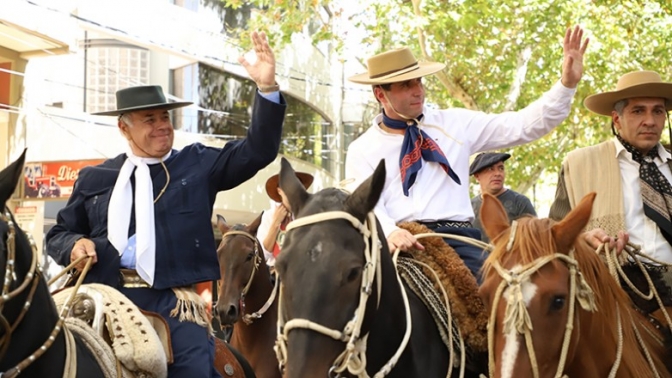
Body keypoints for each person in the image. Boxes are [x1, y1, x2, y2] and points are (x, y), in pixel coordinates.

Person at [46, 31, 286, 377]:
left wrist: (267, 88)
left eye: (165, 117)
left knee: (195, 370)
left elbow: (257, 150)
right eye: (150, 120)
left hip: (174, 304)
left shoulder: (198, 163)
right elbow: (60, 233)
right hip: (102, 295)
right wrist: (73, 245)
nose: (162, 127)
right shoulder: (94, 178)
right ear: (124, 127)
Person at [345, 26, 588, 279]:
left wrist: (567, 85)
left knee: (500, 303)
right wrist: (389, 231)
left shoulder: (455, 123)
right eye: (406, 85)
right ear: (380, 94)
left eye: (419, 81)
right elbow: (364, 203)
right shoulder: (361, 149)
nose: (418, 90)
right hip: (396, 242)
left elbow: (521, 126)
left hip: (458, 242)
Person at [549, 70, 672, 262]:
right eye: (638, 111)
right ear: (616, 119)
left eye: (658, 111)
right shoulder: (580, 165)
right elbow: (556, 233)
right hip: (612, 285)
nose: (650, 121)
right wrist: (583, 239)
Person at [469, 152, 536, 242]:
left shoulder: (520, 202)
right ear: (477, 176)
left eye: (501, 168)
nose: (498, 173)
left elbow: (534, 238)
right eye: (490, 169)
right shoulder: (469, 207)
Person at [257, 171, 313, 268]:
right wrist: (275, 223)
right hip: (274, 274)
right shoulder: (268, 216)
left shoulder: (309, 215)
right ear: (279, 190)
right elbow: (263, 255)